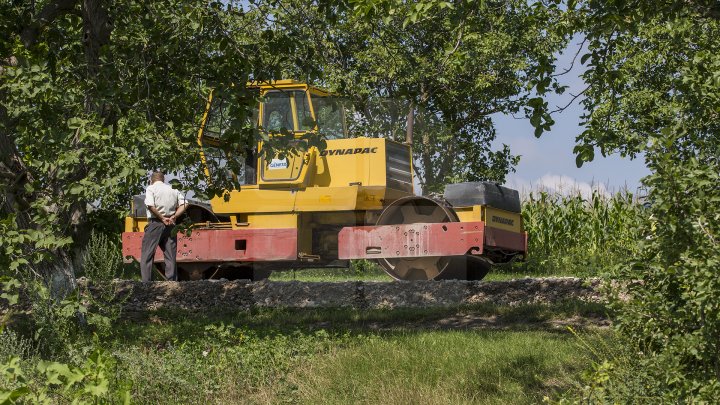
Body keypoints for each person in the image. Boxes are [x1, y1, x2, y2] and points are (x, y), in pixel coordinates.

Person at [140, 171, 187, 282]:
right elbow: (185, 204)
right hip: (171, 224)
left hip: (156, 223)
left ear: (151, 180)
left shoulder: (151, 189)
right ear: (163, 179)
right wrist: (174, 216)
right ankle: (171, 283)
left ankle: (146, 283)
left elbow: (150, 205)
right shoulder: (173, 189)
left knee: (147, 254)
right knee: (170, 256)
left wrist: (161, 218)